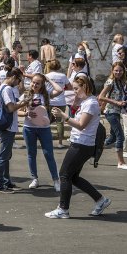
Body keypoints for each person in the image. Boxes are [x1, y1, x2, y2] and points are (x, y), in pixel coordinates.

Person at [48, 76, 112, 218]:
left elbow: (81, 125)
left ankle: (63, 209)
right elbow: (78, 118)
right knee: (74, 177)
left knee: (64, 175)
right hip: (81, 143)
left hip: (82, 144)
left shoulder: (90, 103)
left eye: (76, 88)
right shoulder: (86, 102)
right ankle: (101, 200)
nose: (75, 91)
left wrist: (63, 115)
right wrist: (76, 101)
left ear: (85, 87)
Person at [18, 73, 63, 189]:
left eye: (38, 83)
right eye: (33, 82)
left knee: (49, 154)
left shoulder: (46, 94)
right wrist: (26, 113)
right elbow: (15, 110)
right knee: (31, 154)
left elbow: (59, 90)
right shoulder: (26, 94)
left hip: (44, 128)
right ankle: (34, 179)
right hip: (29, 128)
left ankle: (56, 180)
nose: (34, 85)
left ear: (43, 84)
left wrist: (48, 79)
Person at [0, 69, 29, 193]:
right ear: (14, 77)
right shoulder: (7, 89)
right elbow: (10, 108)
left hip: (6, 125)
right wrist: (23, 103)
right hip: (8, 126)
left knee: (7, 156)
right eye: (19, 80)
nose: (19, 83)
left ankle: (6, 181)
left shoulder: (1, 88)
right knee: (3, 156)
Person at [98, 62, 127, 170]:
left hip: (117, 111)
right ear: (112, 71)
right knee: (120, 137)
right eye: (116, 70)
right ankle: (121, 162)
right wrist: (116, 103)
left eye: (120, 70)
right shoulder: (110, 81)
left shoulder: (121, 81)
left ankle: (95, 150)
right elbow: (101, 97)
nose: (118, 72)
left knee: (113, 137)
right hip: (111, 111)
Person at [45, 59, 71, 148]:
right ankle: (60, 143)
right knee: (60, 122)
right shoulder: (63, 76)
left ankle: (46, 140)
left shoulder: (46, 76)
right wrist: (63, 89)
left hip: (50, 101)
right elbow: (70, 87)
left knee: (47, 122)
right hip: (61, 102)